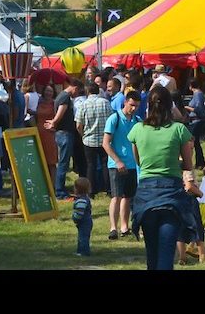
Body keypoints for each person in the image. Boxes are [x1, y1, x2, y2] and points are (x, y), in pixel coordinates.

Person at [128, 86, 196, 270]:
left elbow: (139, 162)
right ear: (169, 105)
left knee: (152, 253)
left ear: (148, 105)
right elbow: (188, 165)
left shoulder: (137, 129)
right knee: (166, 253)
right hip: (171, 195)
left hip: (146, 195)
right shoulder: (179, 130)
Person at [102, 90, 141, 239]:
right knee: (116, 196)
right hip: (116, 164)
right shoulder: (114, 118)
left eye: (137, 106)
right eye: (131, 105)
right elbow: (105, 143)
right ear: (125, 102)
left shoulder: (137, 120)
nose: (134, 108)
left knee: (128, 197)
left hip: (133, 164)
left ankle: (124, 227)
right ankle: (113, 228)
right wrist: (118, 161)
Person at [44, 78, 82, 200]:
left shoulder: (61, 96)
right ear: (74, 87)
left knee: (63, 162)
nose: (77, 94)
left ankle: (60, 189)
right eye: (78, 91)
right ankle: (60, 191)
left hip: (62, 133)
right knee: (63, 163)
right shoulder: (65, 97)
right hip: (65, 133)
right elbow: (61, 111)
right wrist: (54, 122)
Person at [75, 82, 114, 200]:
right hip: (104, 139)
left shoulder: (83, 104)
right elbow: (112, 120)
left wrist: (83, 135)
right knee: (105, 164)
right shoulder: (106, 103)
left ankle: (91, 191)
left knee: (90, 165)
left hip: (89, 139)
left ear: (87, 91)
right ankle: (108, 189)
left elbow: (78, 125)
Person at [177, 169, 205, 265]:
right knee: (197, 226)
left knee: (180, 228)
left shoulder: (174, 166)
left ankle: (182, 257)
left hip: (178, 199)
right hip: (189, 199)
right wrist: (200, 193)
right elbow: (189, 186)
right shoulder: (187, 169)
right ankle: (202, 255)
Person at [72, 177, 93, 257]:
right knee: (82, 236)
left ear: (77, 189)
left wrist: (75, 218)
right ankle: (80, 250)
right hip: (86, 221)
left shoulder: (81, 200)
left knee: (83, 237)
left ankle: (84, 252)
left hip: (84, 222)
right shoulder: (84, 198)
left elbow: (80, 212)